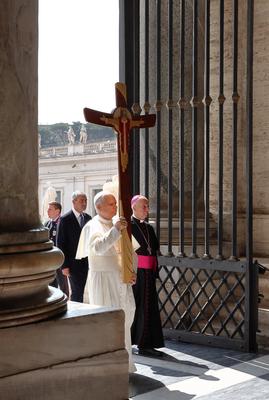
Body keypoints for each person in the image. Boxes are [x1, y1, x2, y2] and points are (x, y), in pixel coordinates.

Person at [76, 191, 137, 372]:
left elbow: (132, 251)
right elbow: (99, 248)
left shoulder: (117, 223)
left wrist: (132, 271)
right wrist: (116, 230)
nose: (115, 207)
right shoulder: (92, 226)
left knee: (126, 317)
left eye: (115, 204)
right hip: (103, 280)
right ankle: (108, 365)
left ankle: (125, 363)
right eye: (111, 204)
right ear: (99, 207)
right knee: (108, 322)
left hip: (121, 278)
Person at [131, 195, 164, 357]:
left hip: (149, 273)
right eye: (143, 206)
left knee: (149, 308)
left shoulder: (149, 228)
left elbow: (154, 251)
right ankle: (141, 343)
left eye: (147, 206)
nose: (147, 209)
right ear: (133, 207)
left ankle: (147, 343)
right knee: (140, 307)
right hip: (136, 274)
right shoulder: (128, 227)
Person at [57, 191, 91, 302]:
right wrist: (64, 265)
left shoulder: (88, 218)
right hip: (72, 263)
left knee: (81, 289)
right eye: (82, 200)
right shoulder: (65, 219)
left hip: (86, 261)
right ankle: (76, 312)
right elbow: (60, 243)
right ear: (73, 202)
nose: (84, 203)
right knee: (76, 291)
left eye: (86, 200)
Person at [45, 201, 69, 297]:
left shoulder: (63, 223)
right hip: (50, 261)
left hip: (60, 260)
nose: (47, 211)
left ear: (57, 211)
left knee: (63, 286)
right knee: (51, 285)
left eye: (50, 209)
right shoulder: (47, 224)